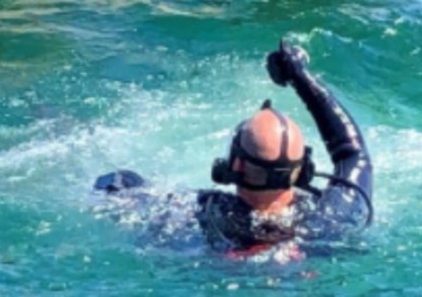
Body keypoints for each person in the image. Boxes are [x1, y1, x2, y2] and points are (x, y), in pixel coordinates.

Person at [93, 41, 373, 255]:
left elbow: (117, 186)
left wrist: (121, 181)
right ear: (304, 171)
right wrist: (300, 75)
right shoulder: (331, 219)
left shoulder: (196, 212)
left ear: (235, 165)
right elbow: (352, 152)